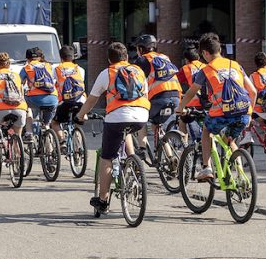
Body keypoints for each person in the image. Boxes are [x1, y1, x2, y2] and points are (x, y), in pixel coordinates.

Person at [76, 42, 149, 215]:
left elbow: (92, 100)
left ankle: (103, 199)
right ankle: (133, 165)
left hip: (116, 117)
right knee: (127, 131)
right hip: (141, 116)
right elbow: (145, 94)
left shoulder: (107, 72)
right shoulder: (139, 71)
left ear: (110, 59)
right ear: (127, 57)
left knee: (107, 157)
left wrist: (80, 116)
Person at [177, 33, 254, 181]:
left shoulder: (206, 70)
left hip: (221, 114)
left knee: (207, 131)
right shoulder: (235, 65)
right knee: (230, 140)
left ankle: (207, 167)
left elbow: (191, 92)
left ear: (205, 53)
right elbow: (253, 91)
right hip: (243, 112)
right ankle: (241, 177)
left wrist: (180, 108)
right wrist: (249, 113)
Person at [132, 34, 181, 159]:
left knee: (141, 118)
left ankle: (142, 149)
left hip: (159, 97)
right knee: (157, 126)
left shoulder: (142, 60)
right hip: (175, 97)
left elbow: (135, 81)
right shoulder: (164, 57)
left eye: (137, 49)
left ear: (141, 49)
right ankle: (170, 158)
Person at [50, 45, 86, 152]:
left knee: (55, 122)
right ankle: (79, 146)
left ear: (61, 57)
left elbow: (52, 84)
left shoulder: (56, 69)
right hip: (80, 101)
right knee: (76, 123)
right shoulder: (80, 69)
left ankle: (62, 141)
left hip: (64, 102)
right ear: (73, 57)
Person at [22, 47, 57, 140]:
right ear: (40, 57)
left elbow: (18, 83)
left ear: (28, 59)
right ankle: (48, 138)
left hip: (34, 99)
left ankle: (29, 132)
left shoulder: (27, 68)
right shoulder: (49, 66)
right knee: (46, 123)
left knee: (26, 107)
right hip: (53, 98)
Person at [177, 46, 206, 138]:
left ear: (186, 60)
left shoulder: (186, 68)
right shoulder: (206, 66)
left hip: (194, 102)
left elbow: (176, 82)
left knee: (182, 120)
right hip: (209, 102)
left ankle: (184, 143)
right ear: (198, 58)